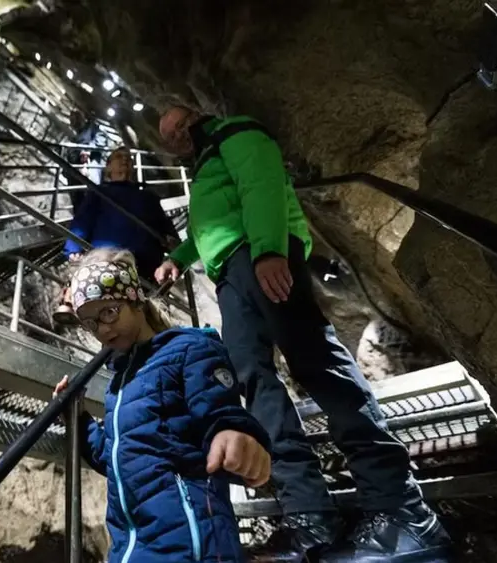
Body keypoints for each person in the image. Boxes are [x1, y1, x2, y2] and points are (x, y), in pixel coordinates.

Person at [155, 105, 452, 563]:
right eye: (167, 136)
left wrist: (270, 249)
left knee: (315, 361)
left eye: (177, 125)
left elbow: (262, 184)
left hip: (260, 252)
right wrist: (178, 256)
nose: (174, 136)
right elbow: (208, 227)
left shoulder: (235, 131)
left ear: (194, 116)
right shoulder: (206, 166)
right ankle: (310, 517)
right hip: (230, 275)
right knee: (254, 383)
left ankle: (402, 511)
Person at [52, 248, 272, 563]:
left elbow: (217, 407)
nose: (101, 329)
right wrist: (78, 417)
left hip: (189, 538)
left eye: (109, 312)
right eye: (90, 322)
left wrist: (232, 430)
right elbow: (117, 457)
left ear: (135, 300)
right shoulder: (118, 385)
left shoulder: (190, 348)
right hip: (129, 545)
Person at [55, 147, 179, 322]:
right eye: (119, 157)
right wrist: (73, 248)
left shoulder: (148, 196)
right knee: (114, 313)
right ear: (108, 167)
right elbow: (83, 220)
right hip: (109, 261)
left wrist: (173, 241)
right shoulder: (98, 192)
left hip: (146, 266)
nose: (125, 161)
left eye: (129, 159)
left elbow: (163, 223)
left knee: (145, 315)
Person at [64, 110, 109, 209]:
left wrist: (87, 150)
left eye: (76, 119)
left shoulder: (94, 128)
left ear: (83, 118)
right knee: (77, 198)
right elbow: (70, 155)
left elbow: (101, 140)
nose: (74, 122)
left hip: (92, 163)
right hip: (76, 171)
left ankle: (96, 209)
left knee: (93, 193)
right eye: (72, 120)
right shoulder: (73, 139)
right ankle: (79, 212)